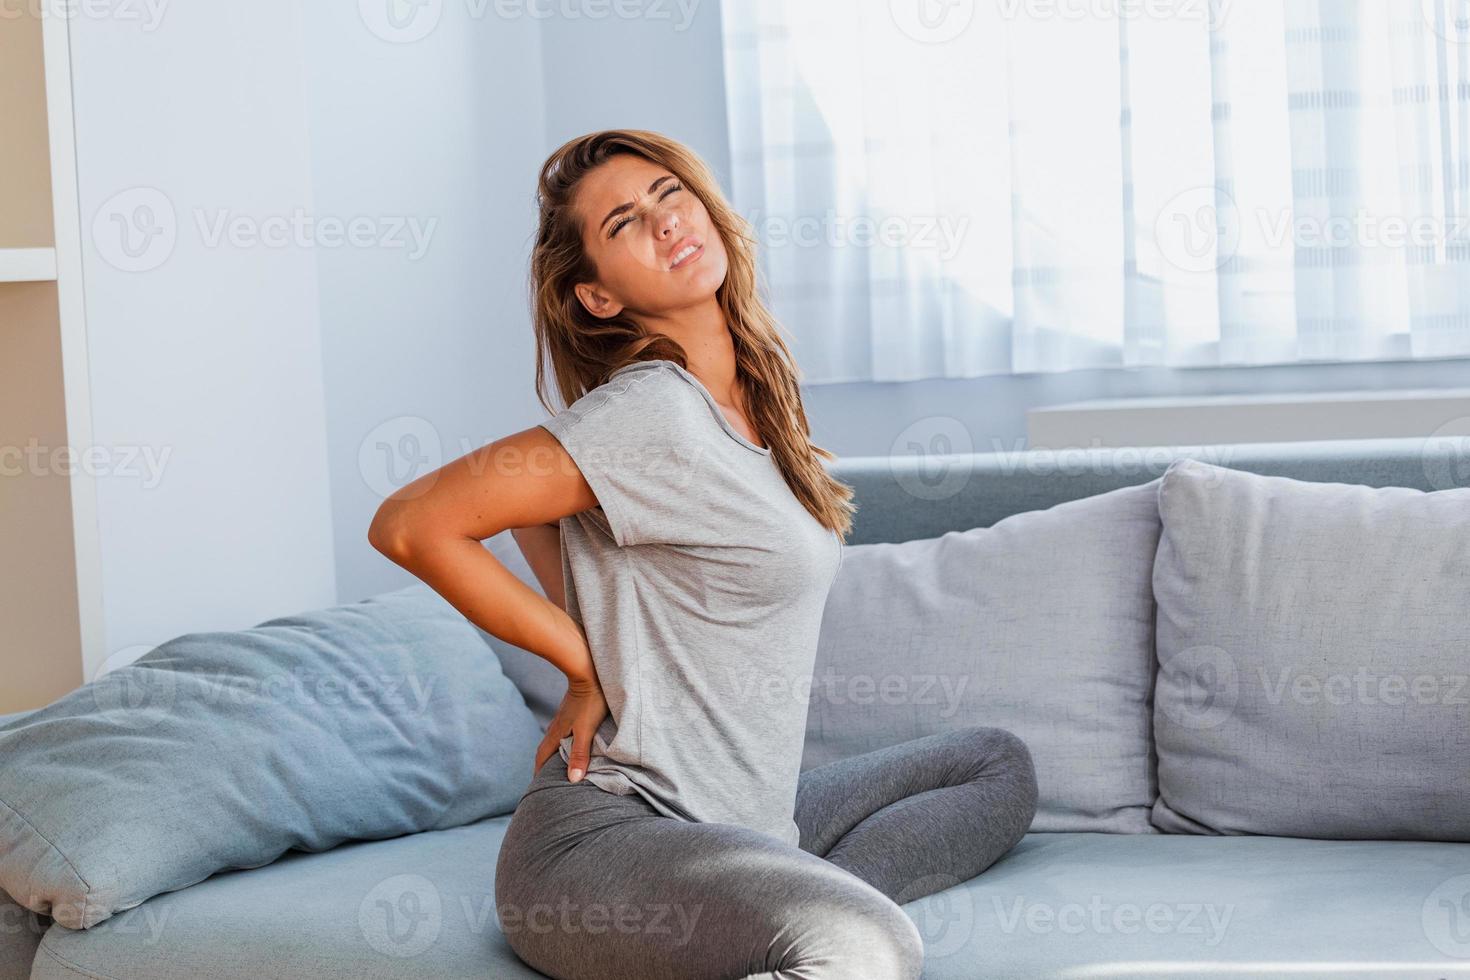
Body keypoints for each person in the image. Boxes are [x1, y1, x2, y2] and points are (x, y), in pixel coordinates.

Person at [368, 129, 1039, 980]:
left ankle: (772, 908)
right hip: (605, 839)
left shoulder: (754, 410)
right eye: (623, 224)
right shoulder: (654, 412)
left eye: (667, 194)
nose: (663, 222)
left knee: (993, 766)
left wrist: (588, 609)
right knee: (865, 944)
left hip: (744, 826)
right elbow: (411, 522)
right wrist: (582, 662)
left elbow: (538, 517)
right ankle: (804, 918)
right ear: (598, 298)